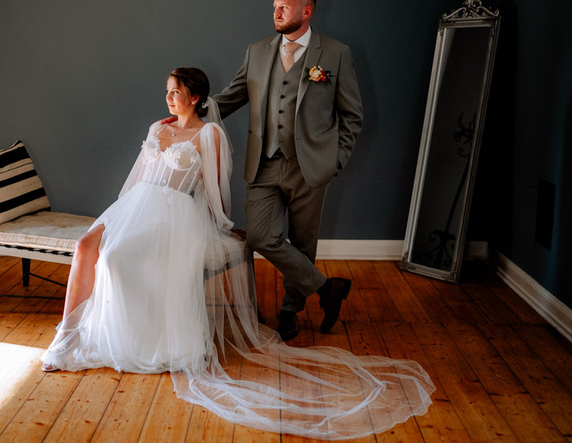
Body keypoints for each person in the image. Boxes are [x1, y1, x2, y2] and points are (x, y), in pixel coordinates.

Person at [41, 68, 434, 439]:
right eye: (167, 91)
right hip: (137, 206)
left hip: (173, 212)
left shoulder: (208, 134)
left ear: (195, 98)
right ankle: (67, 339)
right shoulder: (156, 129)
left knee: (117, 260)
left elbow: (213, 188)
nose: (169, 97)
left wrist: (223, 225)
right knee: (87, 246)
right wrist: (119, 216)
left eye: (176, 92)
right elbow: (137, 180)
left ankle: (140, 338)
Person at [211, 0, 364, 341]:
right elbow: (231, 97)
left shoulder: (335, 54)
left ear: (306, 11)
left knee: (303, 243)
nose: (276, 12)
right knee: (262, 236)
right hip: (263, 164)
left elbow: (352, 116)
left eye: (284, 6)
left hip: (311, 167)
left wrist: (334, 161)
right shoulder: (257, 51)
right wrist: (190, 107)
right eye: (274, 6)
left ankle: (290, 311)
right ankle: (328, 289)